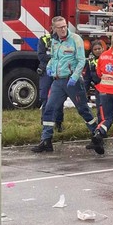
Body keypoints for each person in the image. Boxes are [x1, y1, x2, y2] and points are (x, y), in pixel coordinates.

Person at [33, 16, 98, 153]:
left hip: (72, 81)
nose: (63, 29)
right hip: (58, 81)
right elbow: (54, 58)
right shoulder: (55, 41)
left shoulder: (75, 39)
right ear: (54, 29)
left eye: (64, 26)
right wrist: (50, 67)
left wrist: (74, 77)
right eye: (60, 27)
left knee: (83, 110)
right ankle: (46, 140)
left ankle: (97, 136)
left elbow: (81, 61)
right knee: (49, 108)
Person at [37, 28, 64, 132]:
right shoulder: (44, 39)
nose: (61, 29)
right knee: (45, 98)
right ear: (52, 28)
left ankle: (58, 123)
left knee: (59, 98)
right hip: (46, 71)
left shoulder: (65, 40)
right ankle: (45, 123)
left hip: (60, 71)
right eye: (58, 27)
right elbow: (41, 56)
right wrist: (56, 58)